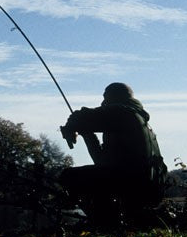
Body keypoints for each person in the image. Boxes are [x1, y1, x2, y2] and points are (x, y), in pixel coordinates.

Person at [59, 83, 167, 224]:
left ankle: (105, 223)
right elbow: (102, 162)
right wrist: (87, 134)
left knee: (69, 176)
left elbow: (82, 116)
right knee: (99, 176)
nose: (103, 102)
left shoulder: (122, 112)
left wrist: (70, 126)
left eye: (105, 97)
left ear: (114, 98)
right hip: (150, 186)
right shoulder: (138, 120)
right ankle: (112, 221)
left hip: (134, 183)